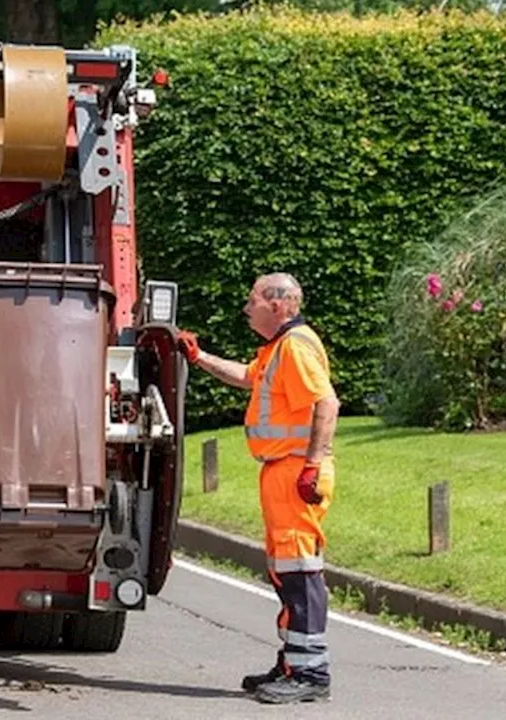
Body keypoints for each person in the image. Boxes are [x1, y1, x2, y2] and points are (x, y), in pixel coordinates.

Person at [176, 272, 339, 705]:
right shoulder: (277, 349)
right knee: (287, 571)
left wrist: (312, 465)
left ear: (279, 305)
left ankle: (310, 672)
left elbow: (327, 403)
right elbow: (249, 377)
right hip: (283, 471)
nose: (246, 308)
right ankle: (294, 662)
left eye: (253, 300)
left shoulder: (296, 346)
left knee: (301, 572)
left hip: (295, 472)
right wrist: (200, 358)